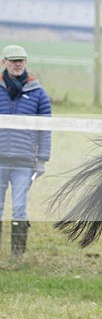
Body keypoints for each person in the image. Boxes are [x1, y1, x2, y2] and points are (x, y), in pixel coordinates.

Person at [0, 45, 51, 259]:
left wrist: (42, 159)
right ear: (4, 63)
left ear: (26, 63)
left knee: (19, 208)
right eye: (13, 60)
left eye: (21, 60)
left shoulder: (38, 93)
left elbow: (45, 129)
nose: (17, 64)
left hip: (24, 161)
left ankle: (17, 255)